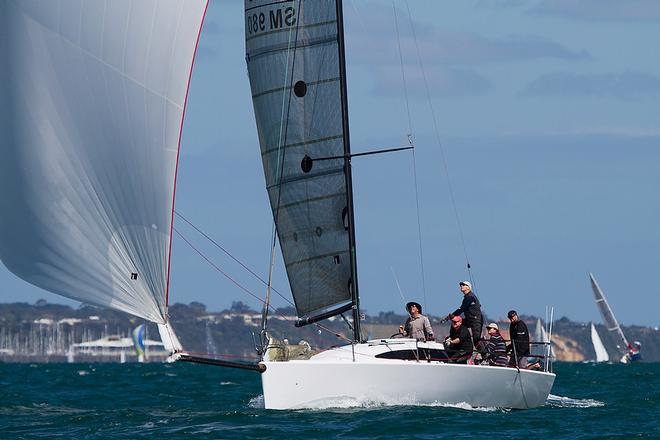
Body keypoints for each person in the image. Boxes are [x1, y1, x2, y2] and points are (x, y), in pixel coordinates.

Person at [446, 281, 483, 346]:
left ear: (468, 288)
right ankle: (453, 338)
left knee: (476, 340)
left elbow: (461, 309)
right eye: (461, 285)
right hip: (469, 320)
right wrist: (451, 317)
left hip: (476, 320)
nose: (461, 286)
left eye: (463, 285)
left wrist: (451, 316)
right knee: (455, 323)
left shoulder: (470, 297)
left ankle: (485, 354)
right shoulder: (467, 297)